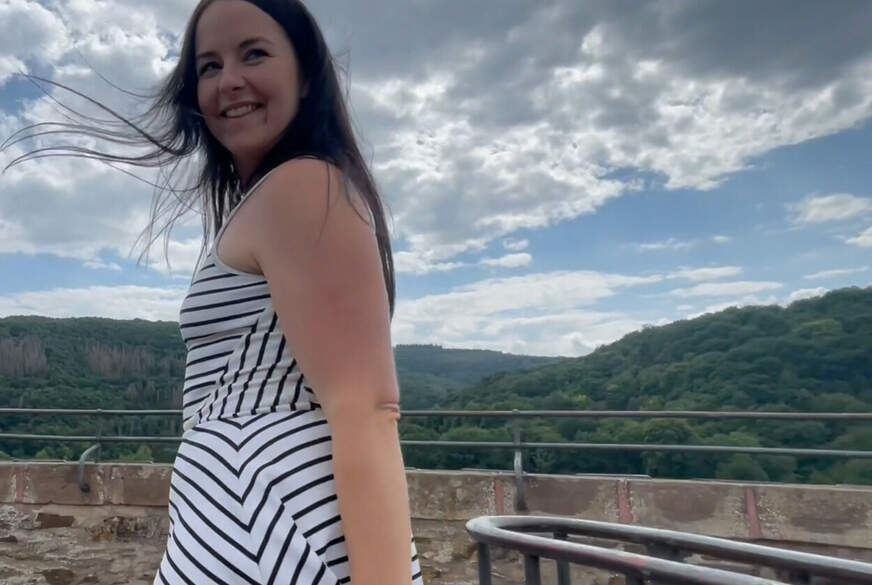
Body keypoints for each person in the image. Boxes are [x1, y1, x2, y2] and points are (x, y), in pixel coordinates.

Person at [2, 1, 424, 584]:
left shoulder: (303, 186)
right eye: (209, 66)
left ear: (305, 75)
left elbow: (368, 409)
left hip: (273, 530)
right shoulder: (274, 197)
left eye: (254, 54)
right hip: (241, 525)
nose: (229, 80)